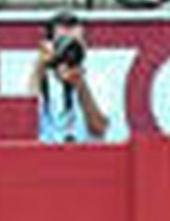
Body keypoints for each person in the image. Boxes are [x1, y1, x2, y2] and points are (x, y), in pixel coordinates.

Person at [30, 10, 110, 144]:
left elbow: (99, 128)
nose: (69, 50)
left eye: (75, 43)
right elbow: (24, 121)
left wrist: (80, 85)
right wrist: (40, 67)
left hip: (84, 156)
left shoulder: (96, 77)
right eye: (63, 42)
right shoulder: (36, 75)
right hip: (42, 155)